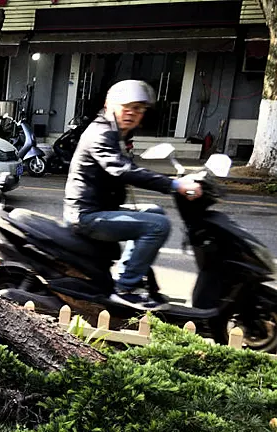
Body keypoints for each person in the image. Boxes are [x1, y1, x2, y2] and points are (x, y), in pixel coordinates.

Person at [63, 79, 203, 310]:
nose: (131, 113)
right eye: (125, 106)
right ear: (109, 105)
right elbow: (122, 169)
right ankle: (125, 288)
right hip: (87, 215)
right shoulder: (101, 132)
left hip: (101, 208)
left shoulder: (118, 133)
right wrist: (174, 184)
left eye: (138, 108)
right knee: (158, 226)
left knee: (155, 212)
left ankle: (130, 272)